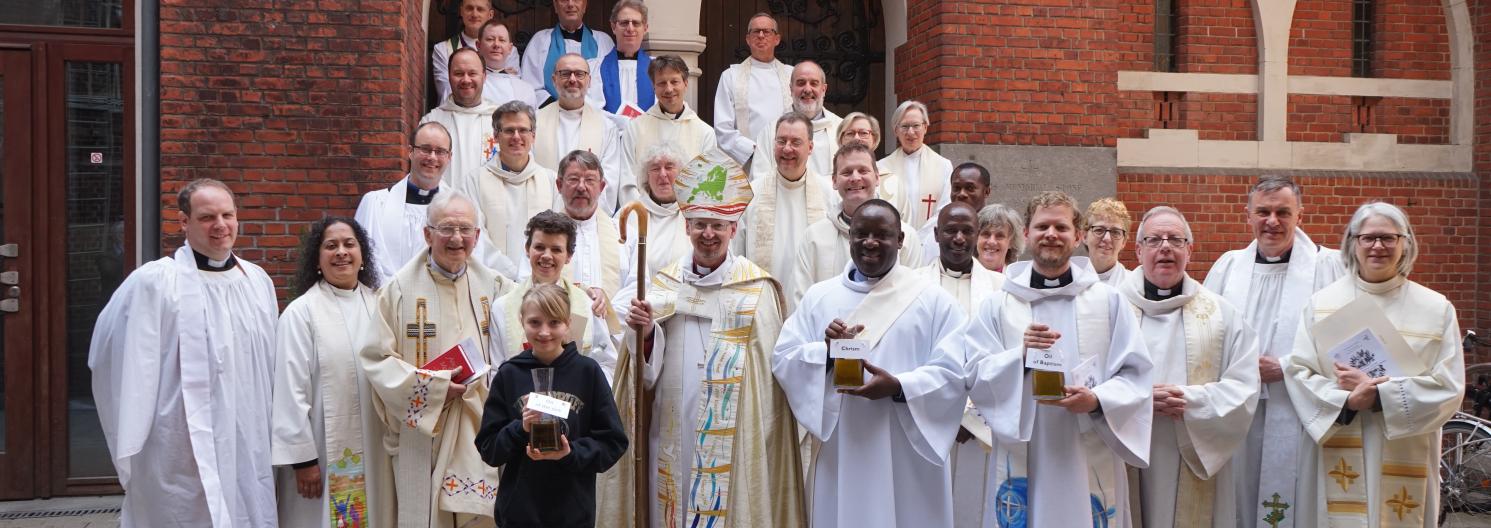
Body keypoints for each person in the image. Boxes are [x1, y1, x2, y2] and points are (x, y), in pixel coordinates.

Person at [597, 153, 807, 527]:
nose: (708, 234)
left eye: (717, 225)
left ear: (732, 229)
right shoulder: (663, 286)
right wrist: (643, 334)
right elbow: (642, 380)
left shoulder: (758, 291)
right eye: (699, 225)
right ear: (686, 227)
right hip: (670, 429)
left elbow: (769, 392)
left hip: (735, 436)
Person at [89, 178, 279, 526]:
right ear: (183, 222)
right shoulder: (154, 283)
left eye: (227, 215)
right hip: (178, 436)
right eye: (207, 217)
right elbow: (109, 354)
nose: (220, 226)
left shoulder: (257, 281)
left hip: (245, 432)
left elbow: (268, 363)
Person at [773, 199, 968, 528]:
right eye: (861, 234)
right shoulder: (820, 297)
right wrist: (825, 353)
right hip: (843, 448)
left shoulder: (933, 300)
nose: (870, 242)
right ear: (849, 238)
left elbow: (956, 370)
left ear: (901, 240)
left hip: (909, 450)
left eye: (883, 234)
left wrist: (900, 387)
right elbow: (784, 359)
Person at [964, 190, 1152, 528]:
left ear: (1078, 236)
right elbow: (976, 373)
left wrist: (1097, 400)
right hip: (1025, 447)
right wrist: (1018, 357)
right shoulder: (998, 304)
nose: (1052, 234)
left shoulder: (1109, 303)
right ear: (1026, 235)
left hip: (1086, 448)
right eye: (1042, 226)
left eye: (1062, 228)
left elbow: (1136, 374)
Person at [1283, 201, 1465, 527]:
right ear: (1353, 244)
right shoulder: (1323, 304)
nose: (1377, 247)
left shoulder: (1436, 309)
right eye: (1368, 238)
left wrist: (1381, 397)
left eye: (1388, 238)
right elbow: (1299, 371)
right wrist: (1347, 401)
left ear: (1405, 243)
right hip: (1340, 436)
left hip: (1406, 448)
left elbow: (1450, 387)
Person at [359, 190, 514, 528]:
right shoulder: (398, 291)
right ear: (427, 234)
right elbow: (376, 359)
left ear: (477, 236)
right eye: (446, 228)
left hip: (480, 425)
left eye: (465, 230)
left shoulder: (497, 287)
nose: (456, 238)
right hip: (425, 432)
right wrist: (434, 389)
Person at [1202, 175, 1343, 528]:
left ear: (1300, 215)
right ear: (1247, 214)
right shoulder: (1228, 266)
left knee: (1293, 502)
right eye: (1263, 212)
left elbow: (1345, 343)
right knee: (1237, 498)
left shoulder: (1329, 268)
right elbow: (1204, 333)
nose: (1272, 222)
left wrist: (1287, 367)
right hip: (1238, 413)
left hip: (1299, 411)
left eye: (1283, 212)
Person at [1117, 207, 1260, 528]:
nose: (1165, 247)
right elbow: (1090, 379)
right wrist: (1137, 398)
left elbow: (1244, 388)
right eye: (1154, 240)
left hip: (1192, 449)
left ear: (1189, 250)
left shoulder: (1223, 315)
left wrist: (1189, 401)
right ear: (1138, 250)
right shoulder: (1110, 308)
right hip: (1127, 448)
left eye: (1175, 240)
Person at [272, 218, 394, 528]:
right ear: (317, 258)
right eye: (331, 246)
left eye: (349, 244)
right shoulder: (301, 313)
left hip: (378, 449)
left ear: (363, 255)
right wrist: (303, 460)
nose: (341, 252)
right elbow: (289, 390)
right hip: (323, 456)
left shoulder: (381, 305)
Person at [476, 283, 628, 528]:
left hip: (573, 514)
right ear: (522, 321)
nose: (544, 332)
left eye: (554, 322)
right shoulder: (509, 374)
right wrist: (520, 428)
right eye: (535, 322)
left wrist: (571, 453)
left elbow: (614, 443)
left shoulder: (588, 373)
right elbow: (488, 449)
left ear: (568, 323)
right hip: (519, 514)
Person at [915, 202, 1005, 528]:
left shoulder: (1000, 289)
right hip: (925, 421)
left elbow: (999, 357)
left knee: (973, 512)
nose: (958, 238)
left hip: (979, 429)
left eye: (967, 230)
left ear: (977, 236)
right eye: (950, 230)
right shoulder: (911, 286)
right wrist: (945, 411)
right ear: (937, 234)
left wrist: (968, 416)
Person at [787, 143, 921, 307]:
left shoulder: (905, 235)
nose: (855, 178)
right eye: (846, 172)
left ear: (878, 177)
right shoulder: (814, 237)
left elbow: (916, 296)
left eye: (863, 170)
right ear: (834, 181)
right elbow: (801, 302)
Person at [490, 211, 618, 382]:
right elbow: (496, 372)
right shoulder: (502, 308)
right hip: (520, 404)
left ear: (569, 256)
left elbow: (607, 362)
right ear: (527, 249)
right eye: (540, 247)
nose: (546, 256)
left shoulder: (587, 305)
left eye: (556, 249)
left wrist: (587, 395)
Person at [734, 112, 832, 278]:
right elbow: (736, 255)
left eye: (795, 142)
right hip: (763, 297)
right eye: (781, 141)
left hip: (811, 298)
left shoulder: (828, 194)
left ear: (810, 148)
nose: (787, 148)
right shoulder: (750, 194)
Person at [357, 122, 453, 284]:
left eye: (440, 151)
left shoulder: (459, 211)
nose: (432, 157)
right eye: (425, 149)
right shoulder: (375, 204)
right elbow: (362, 261)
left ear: (449, 157)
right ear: (410, 151)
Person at [473, 100, 558, 280]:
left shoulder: (550, 180)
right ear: (496, 135)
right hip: (492, 281)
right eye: (509, 130)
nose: (516, 137)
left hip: (541, 284)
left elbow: (558, 235)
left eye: (523, 130)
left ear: (533, 136)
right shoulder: (475, 180)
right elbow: (476, 235)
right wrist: (510, 275)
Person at [532, 53, 625, 213]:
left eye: (579, 74)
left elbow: (609, 181)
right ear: (554, 80)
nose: (572, 79)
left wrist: (584, 215)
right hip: (543, 219)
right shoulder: (534, 122)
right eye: (565, 73)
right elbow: (528, 172)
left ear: (589, 81)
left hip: (588, 219)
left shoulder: (606, 126)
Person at [619, 55, 716, 205]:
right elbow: (627, 180)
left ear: (685, 83)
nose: (669, 89)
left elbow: (706, 183)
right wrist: (641, 215)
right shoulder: (635, 128)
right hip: (644, 215)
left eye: (674, 82)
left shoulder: (705, 133)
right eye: (662, 83)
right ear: (654, 87)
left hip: (686, 218)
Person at [713, 12, 793, 165]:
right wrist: (753, 151)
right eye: (756, 31)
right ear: (748, 39)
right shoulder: (730, 76)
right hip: (749, 160)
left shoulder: (792, 75)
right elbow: (723, 128)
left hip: (788, 159)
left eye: (767, 31)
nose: (761, 35)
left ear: (777, 39)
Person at [551, 150, 628, 306]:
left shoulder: (624, 234)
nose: (581, 187)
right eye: (573, 179)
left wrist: (606, 307)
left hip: (612, 326)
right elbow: (530, 281)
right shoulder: (542, 235)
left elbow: (636, 287)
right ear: (559, 185)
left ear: (601, 186)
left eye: (589, 180)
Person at [421, 48, 498, 200]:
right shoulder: (432, 121)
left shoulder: (500, 120)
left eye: (472, 73)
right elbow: (421, 174)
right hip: (443, 211)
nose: (466, 80)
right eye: (458, 74)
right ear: (449, 77)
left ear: (484, 76)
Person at [877, 100, 951, 249]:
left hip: (930, 243)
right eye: (904, 126)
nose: (910, 132)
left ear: (925, 127)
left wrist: (920, 238)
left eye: (916, 126)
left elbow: (944, 208)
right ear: (895, 130)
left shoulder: (943, 165)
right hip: (894, 243)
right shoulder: (882, 167)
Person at [752, 61, 842, 179]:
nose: (807, 89)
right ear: (791, 89)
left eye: (814, 83)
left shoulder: (842, 128)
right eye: (801, 83)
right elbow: (759, 179)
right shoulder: (770, 131)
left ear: (824, 89)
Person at [620, 143, 691, 290]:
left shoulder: (696, 212)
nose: (663, 174)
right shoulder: (631, 213)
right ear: (646, 176)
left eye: (669, 167)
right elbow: (619, 267)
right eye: (655, 168)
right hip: (638, 306)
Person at [521, 0, 614, 103]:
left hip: (592, 113)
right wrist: (559, 107)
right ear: (555, 6)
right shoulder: (540, 41)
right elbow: (529, 86)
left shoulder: (603, 41)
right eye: (564, 0)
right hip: (550, 113)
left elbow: (611, 85)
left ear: (585, 5)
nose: (570, 4)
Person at [432, 0, 514, 103]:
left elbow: (512, 89)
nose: (474, 14)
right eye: (469, 8)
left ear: (490, 14)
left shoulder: (509, 50)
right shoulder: (443, 49)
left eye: (480, 9)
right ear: (461, 11)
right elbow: (448, 93)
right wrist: (496, 75)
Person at [920, 162, 993, 265]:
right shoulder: (936, 231)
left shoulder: (998, 229)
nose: (962, 194)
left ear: (987, 191)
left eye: (970, 188)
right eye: (956, 188)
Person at [598, 0, 654, 117]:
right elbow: (594, 110)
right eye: (624, 23)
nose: (630, 28)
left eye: (636, 23)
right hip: (609, 134)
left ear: (645, 28)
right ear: (613, 27)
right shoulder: (596, 67)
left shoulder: (657, 68)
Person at [474, 20, 540, 108]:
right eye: (490, 39)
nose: (496, 44)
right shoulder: (470, 84)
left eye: (502, 40)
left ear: (510, 48)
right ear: (478, 46)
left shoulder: (525, 89)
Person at [1085, 197, 1132, 287]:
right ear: (1084, 236)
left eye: (1115, 232)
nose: (1107, 238)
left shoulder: (1134, 286)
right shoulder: (1070, 283)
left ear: (1124, 242)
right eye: (1099, 230)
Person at [975, 203, 1024, 272]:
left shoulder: (1018, 280)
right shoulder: (958, 275)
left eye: (999, 236)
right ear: (976, 237)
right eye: (986, 234)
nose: (991, 241)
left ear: (1011, 242)